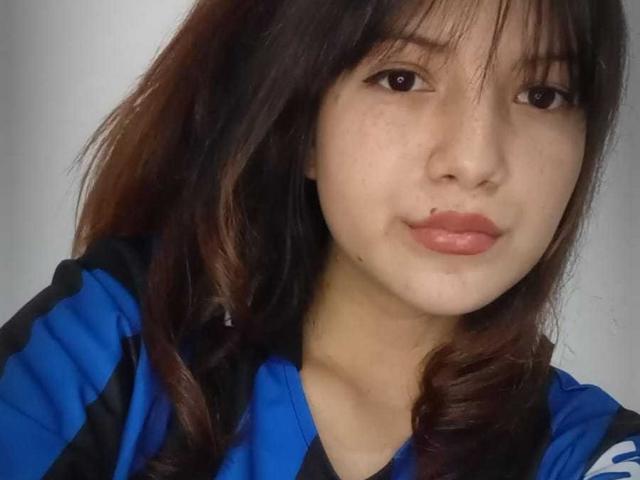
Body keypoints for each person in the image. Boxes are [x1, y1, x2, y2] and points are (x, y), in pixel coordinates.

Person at [1, 0, 638, 478]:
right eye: (402, 78)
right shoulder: (119, 340)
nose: (475, 161)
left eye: (543, 94)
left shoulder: (588, 452)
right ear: (303, 127)